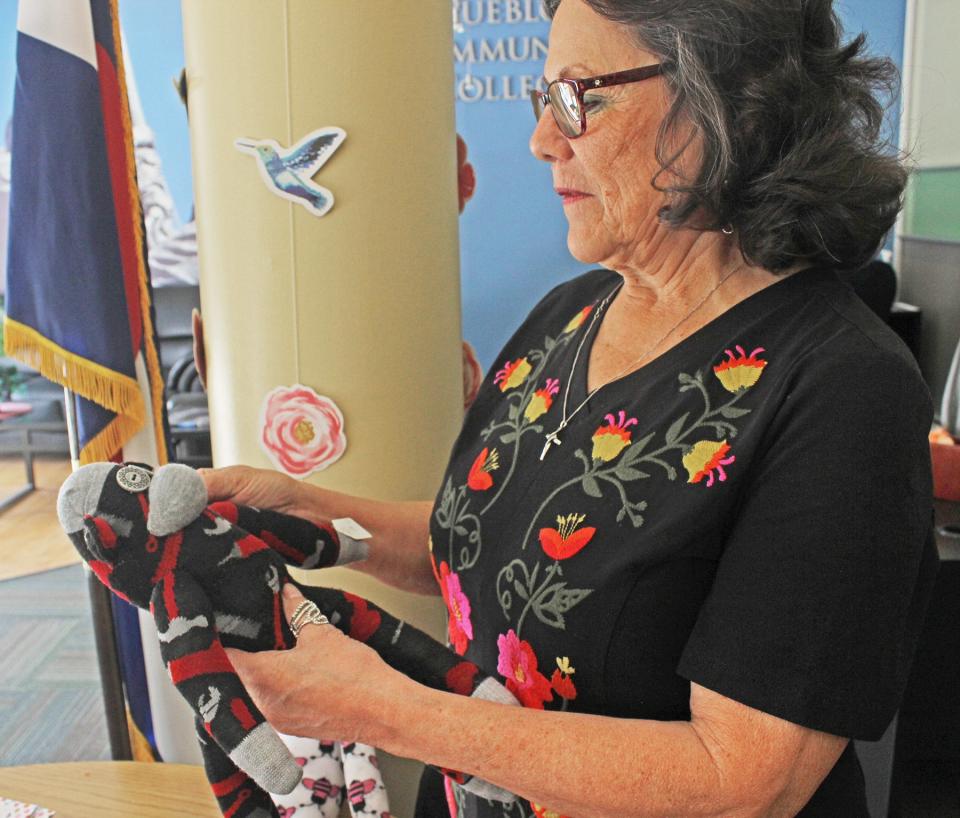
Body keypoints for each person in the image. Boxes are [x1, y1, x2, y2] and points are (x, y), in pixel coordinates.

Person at [202, 1, 938, 815]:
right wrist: (308, 513)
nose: (544, 139)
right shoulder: (573, 311)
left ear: (727, 102)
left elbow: (745, 780)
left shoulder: (844, 388)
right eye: (544, 97)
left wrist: (381, 710)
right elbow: (489, 540)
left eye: (581, 96)